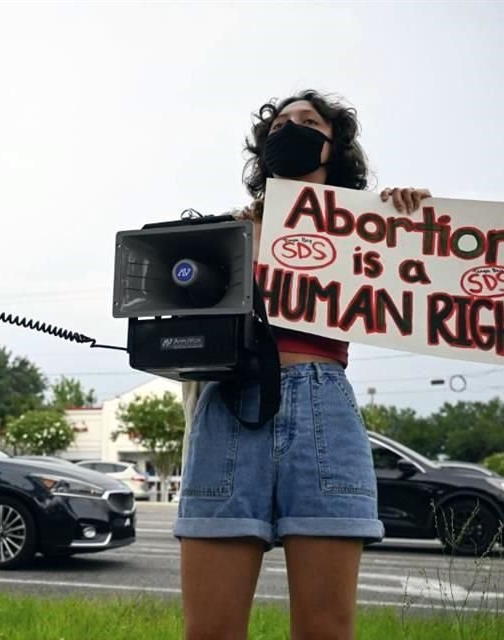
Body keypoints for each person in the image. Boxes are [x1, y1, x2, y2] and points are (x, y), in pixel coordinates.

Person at [175, 91, 431, 640]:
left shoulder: (366, 225)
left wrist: (415, 218)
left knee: (324, 630)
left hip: (323, 406)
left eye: (307, 121)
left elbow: (426, 272)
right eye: (279, 124)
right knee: (210, 631)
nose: (290, 128)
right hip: (230, 405)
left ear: (333, 144)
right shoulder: (229, 230)